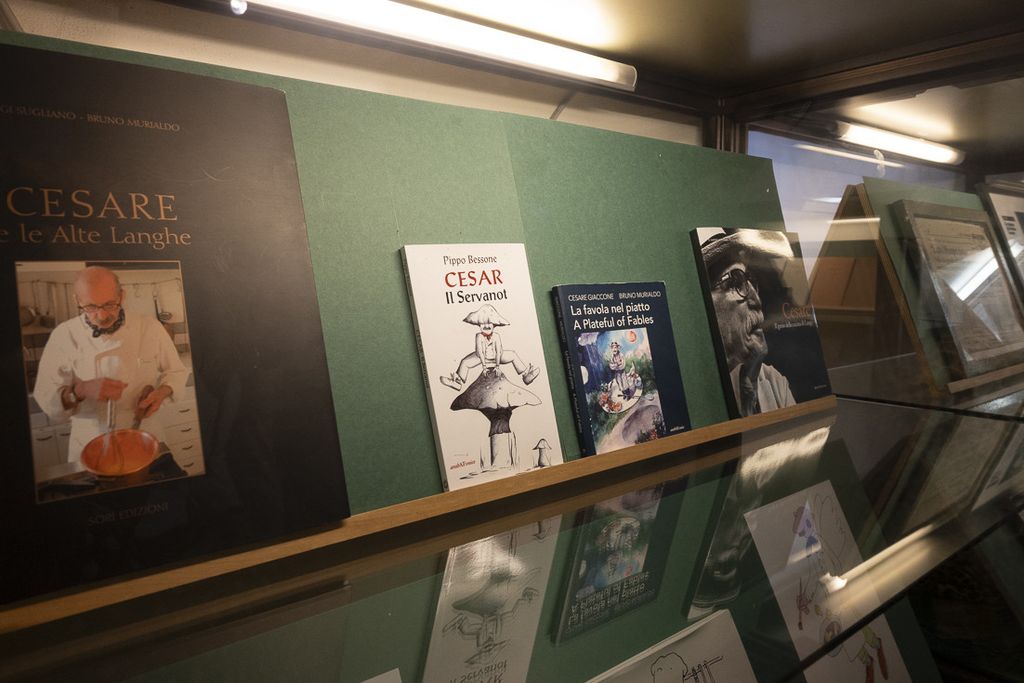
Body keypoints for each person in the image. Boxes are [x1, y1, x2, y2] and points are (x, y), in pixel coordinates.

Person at [33, 265, 189, 463]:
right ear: (77, 301)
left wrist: (161, 393)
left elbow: (176, 371)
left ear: (121, 296)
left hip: (144, 431)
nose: (102, 316)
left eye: (109, 305)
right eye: (91, 307)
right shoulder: (63, 335)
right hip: (90, 440)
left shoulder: (149, 327)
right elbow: (46, 397)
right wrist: (80, 390)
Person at [701, 231, 795, 416]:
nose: (756, 299)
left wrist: (749, 392)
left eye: (749, 280)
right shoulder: (695, 387)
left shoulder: (771, 380)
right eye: (735, 282)